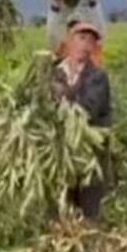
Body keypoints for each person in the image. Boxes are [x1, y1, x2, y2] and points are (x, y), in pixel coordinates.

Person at [51, 21, 112, 221]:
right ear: (69, 41)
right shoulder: (52, 71)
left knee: (89, 202)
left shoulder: (98, 76)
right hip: (60, 149)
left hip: (89, 150)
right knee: (61, 202)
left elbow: (88, 110)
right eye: (81, 38)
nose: (86, 45)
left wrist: (64, 95)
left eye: (91, 41)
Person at [47, 0, 107, 66]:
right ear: (68, 31)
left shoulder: (93, 47)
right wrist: (56, 3)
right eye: (73, 28)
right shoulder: (64, 47)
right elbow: (52, 35)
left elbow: (100, 30)